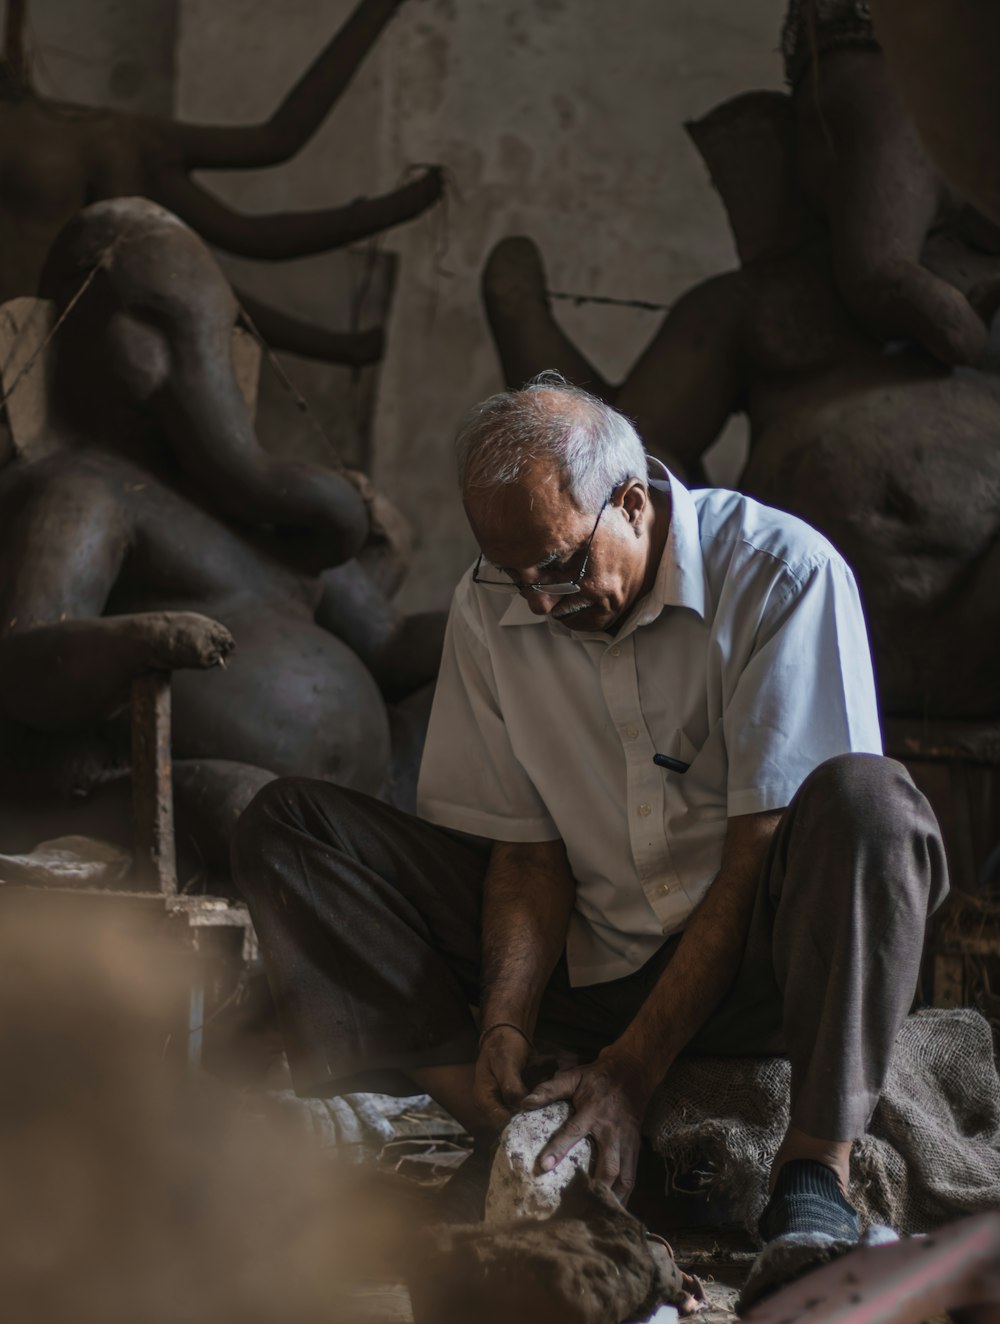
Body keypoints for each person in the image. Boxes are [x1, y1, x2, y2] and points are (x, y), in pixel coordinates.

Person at [233, 373, 949, 1252]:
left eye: (560, 566)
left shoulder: (780, 574)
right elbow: (527, 853)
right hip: (596, 966)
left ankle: (813, 1173)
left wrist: (634, 1074)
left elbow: (755, 858)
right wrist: (505, 1019)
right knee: (291, 827)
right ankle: (519, 1129)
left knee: (869, 803)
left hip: (763, 967)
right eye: (512, 572)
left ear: (634, 504)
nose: (537, 600)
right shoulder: (491, 603)